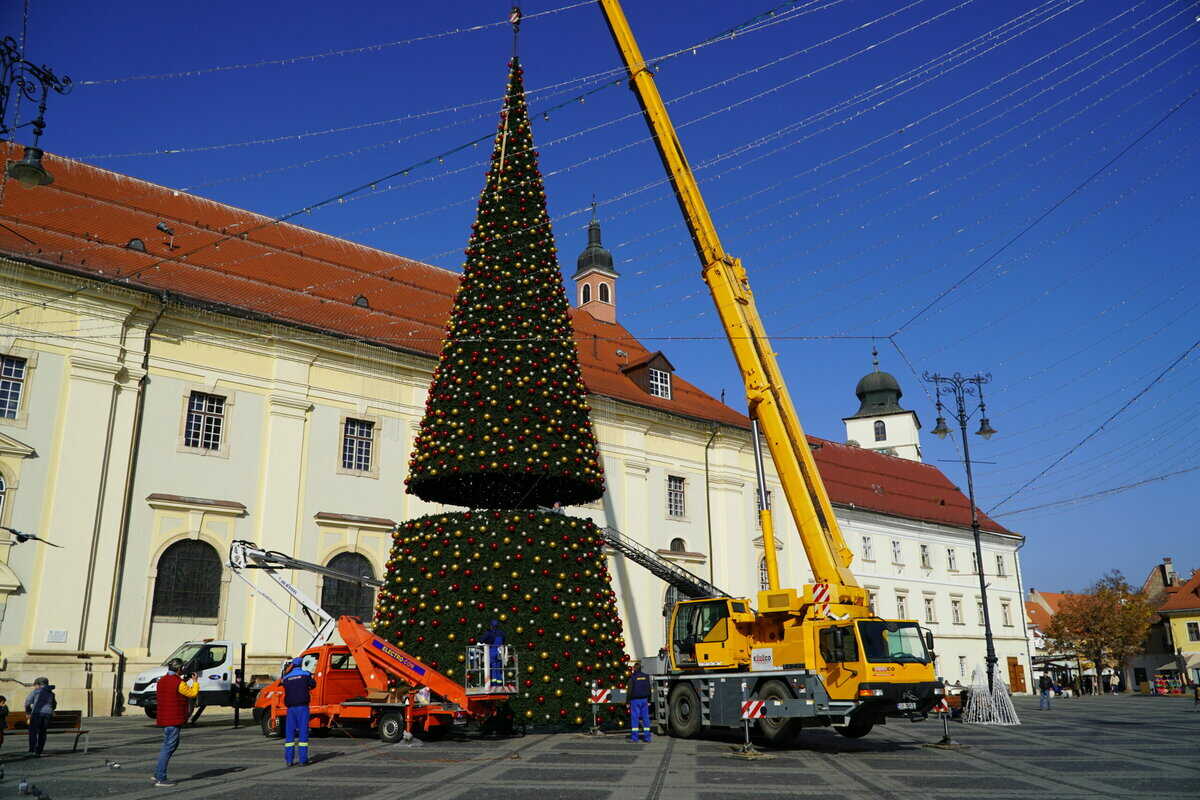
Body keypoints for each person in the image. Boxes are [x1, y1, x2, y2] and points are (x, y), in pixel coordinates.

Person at [153, 658, 198, 787]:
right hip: (174, 719)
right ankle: (160, 777)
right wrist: (194, 682)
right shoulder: (178, 682)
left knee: (168, 746)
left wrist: (183, 680)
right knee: (169, 747)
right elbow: (192, 693)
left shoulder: (162, 680)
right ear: (179, 669)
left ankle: (158, 773)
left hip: (164, 719)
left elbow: (172, 690)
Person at [281, 657, 316, 766]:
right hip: (302, 708)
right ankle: (302, 760)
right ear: (302, 664)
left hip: (290, 709)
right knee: (303, 734)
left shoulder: (286, 678)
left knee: (290, 735)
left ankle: (289, 760)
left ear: (292, 665)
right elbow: (313, 685)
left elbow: (282, 683)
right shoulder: (305, 675)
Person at [24, 677, 56, 756]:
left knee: (33, 732)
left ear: (38, 685)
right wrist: (49, 709)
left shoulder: (36, 691)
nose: (34, 687)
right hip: (47, 714)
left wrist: (28, 712)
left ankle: (33, 749)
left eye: (35, 685)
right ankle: (39, 750)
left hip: (37, 713)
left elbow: (27, 702)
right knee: (43, 732)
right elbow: (54, 704)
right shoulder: (51, 693)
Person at [627, 661, 651, 743]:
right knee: (646, 718)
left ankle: (635, 738)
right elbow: (649, 688)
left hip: (635, 701)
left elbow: (629, 691)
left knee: (635, 719)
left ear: (634, 669)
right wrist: (649, 700)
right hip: (644, 700)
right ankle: (647, 737)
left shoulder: (632, 678)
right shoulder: (646, 676)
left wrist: (627, 701)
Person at [480, 619, 506, 688]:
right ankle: (499, 684)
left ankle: (494, 684)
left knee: (492, 668)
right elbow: (503, 641)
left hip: (492, 651)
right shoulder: (502, 633)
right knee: (498, 668)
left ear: (491, 626)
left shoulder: (489, 633)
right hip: (500, 652)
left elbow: (481, 640)